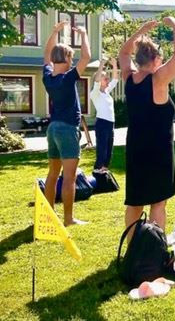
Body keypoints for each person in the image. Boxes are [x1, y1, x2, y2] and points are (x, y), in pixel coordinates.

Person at [119, 17, 175, 236]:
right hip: (159, 151)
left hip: (135, 149)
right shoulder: (158, 79)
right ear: (156, 59)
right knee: (158, 202)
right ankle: (155, 248)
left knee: (135, 202)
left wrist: (141, 31)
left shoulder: (129, 78)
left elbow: (123, 53)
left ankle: (133, 248)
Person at [42, 21, 91, 226]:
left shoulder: (48, 77)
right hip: (68, 129)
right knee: (69, 177)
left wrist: (54, 32)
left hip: (53, 128)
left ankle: (49, 216)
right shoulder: (68, 78)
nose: (73, 61)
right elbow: (87, 57)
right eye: (71, 57)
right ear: (66, 58)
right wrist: (84, 34)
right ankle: (69, 219)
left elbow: (46, 55)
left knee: (53, 174)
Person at [90, 57, 119, 172]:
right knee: (102, 149)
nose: (107, 79)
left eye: (107, 77)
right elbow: (97, 81)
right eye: (105, 78)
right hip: (102, 123)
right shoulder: (95, 93)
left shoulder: (106, 92)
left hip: (110, 123)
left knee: (109, 149)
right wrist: (101, 64)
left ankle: (104, 170)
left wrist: (114, 64)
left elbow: (115, 80)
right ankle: (97, 169)